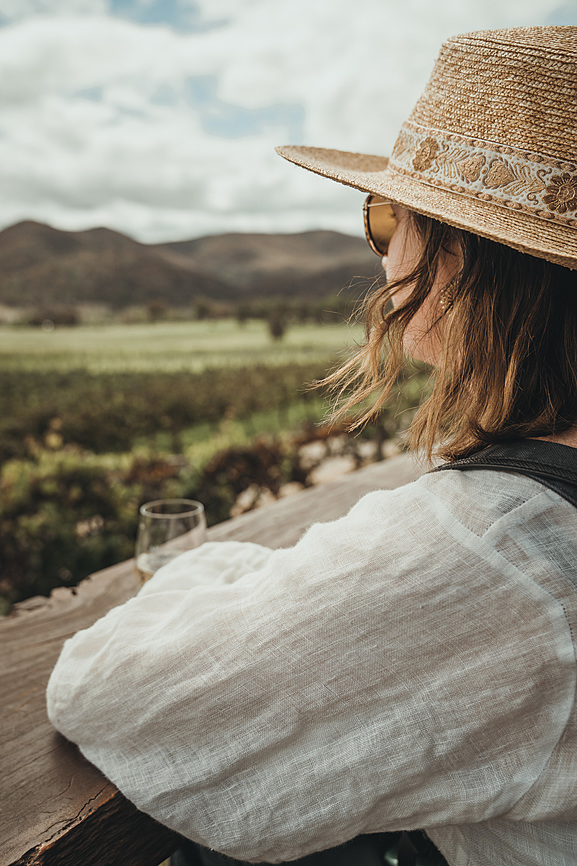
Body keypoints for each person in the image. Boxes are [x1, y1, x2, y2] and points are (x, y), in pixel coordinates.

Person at [46, 26, 577, 866]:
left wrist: (206, 571)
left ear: (461, 255)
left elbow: (111, 690)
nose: (381, 254)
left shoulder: (496, 547)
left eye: (385, 217)